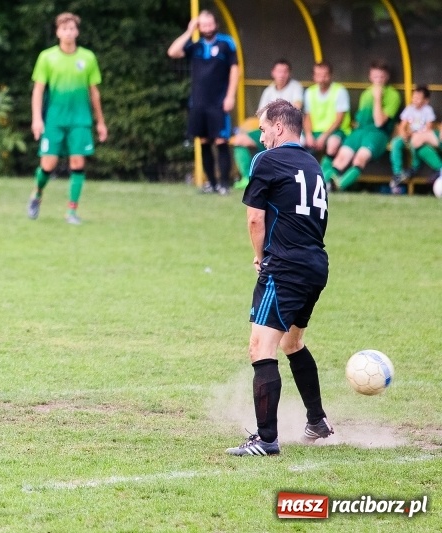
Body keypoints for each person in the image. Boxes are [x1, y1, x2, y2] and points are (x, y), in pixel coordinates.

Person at [227, 99, 333, 456]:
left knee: (261, 347)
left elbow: (255, 218)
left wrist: (261, 258)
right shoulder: (313, 165)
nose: (259, 138)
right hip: (315, 264)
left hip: (284, 266)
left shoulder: (267, 161)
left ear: (279, 127)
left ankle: (266, 439)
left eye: (261, 129)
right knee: (292, 343)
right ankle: (316, 421)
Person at [27, 12, 107, 225]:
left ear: (77, 32)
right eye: (64, 29)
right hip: (54, 120)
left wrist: (100, 122)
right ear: (58, 32)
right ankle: (37, 194)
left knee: (78, 162)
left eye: (72, 29)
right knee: (48, 165)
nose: (69, 32)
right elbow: (38, 90)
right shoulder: (47, 57)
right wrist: (37, 119)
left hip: (80, 120)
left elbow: (94, 92)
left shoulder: (88, 58)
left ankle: (71, 211)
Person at [168, 10, 239, 195]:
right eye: (203, 25)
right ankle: (212, 184)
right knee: (204, 140)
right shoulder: (195, 45)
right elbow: (173, 52)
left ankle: (224, 184)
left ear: (216, 24)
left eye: (210, 24)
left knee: (221, 140)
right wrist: (188, 32)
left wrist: (230, 96)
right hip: (199, 102)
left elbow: (234, 69)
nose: (207, 28)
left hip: (219, 101)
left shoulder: (226, 43)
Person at [325, 60, 401, 190]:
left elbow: (379, 122)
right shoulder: (366, 94)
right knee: (340, 159)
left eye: (381, 77)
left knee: (360, 159)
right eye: (375, 76)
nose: (378, 80)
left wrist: (377, 98)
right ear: (370, 77)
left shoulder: (393, 95)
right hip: (360, 131)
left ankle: (338, 186)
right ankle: (320, 184)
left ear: (387, 77)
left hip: (378, 134)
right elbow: (360, 119)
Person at [232, 58, 304, 189]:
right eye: (279, 71)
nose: (281, 75)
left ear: (289, 73)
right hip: (270, 131)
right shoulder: (268, 91)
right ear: (273, 73)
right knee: (239, 140)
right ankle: (247, 178)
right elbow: (261, 115)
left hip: (288, 132)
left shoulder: (296, 87)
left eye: (285, 71)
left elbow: (295, 109)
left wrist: (274, 115)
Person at [302, 62, 351, 180]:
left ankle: (323, 177)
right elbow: (307, 116)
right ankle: (298, 177)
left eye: (325, 75)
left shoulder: (340, 91)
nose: (322, 79)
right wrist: (308, 134)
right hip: (314, 131)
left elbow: (340, 118)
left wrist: (324, 136)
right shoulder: (310, 92)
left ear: (331, 75)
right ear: (313, 76)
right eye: (318, 75)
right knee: (296, 142)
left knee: (332, 144)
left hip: (336, 131)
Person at [389, 84, 442, 191]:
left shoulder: (428, 110)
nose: (415, 100)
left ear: (426, 100)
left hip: (420, 137)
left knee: (419, 144)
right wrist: (404, 134)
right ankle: (397, 173)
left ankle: (416, 167)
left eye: (418, 98)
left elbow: (429, 128)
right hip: (410, 136)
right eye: (414, 97)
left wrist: (417, 135)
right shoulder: (409, 109)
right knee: (396, 143)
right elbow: (402, 126)